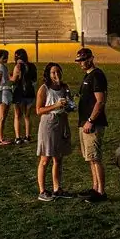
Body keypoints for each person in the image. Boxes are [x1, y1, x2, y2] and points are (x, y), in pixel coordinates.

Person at [35, 63, 72, 200]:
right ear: (48, 75)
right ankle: (42, 191)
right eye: (53, 72)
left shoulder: (65, 87)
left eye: (58, 71)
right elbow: (38, 110)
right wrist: (55, 105)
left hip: (62, 121)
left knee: (58, 158)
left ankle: (57, 189)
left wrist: (70, 106)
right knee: (45, 158)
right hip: (49, 123)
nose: (57, 75)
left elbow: (69, 104)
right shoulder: (44, 89)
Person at [75, 47, 108, 202]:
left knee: (95, 158)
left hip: (93, 124)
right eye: (79, 60)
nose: (81, 63)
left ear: (91, 58)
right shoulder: (87, 76)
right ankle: (94, 188)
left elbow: (100, 101)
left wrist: (91, 120)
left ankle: (101, 192)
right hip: (84, 123)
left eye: (83, 60)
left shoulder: (97, 75)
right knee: (90, 158)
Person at [11, 48, 37, 144]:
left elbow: (14, 79)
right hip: (30, 92)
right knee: (27, 116)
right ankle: (27, 136)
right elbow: (34, 79)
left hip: (19, 93)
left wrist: (9, 76)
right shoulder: (32, 66)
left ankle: (18, 137)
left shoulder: (17, 66)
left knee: (17, 115)